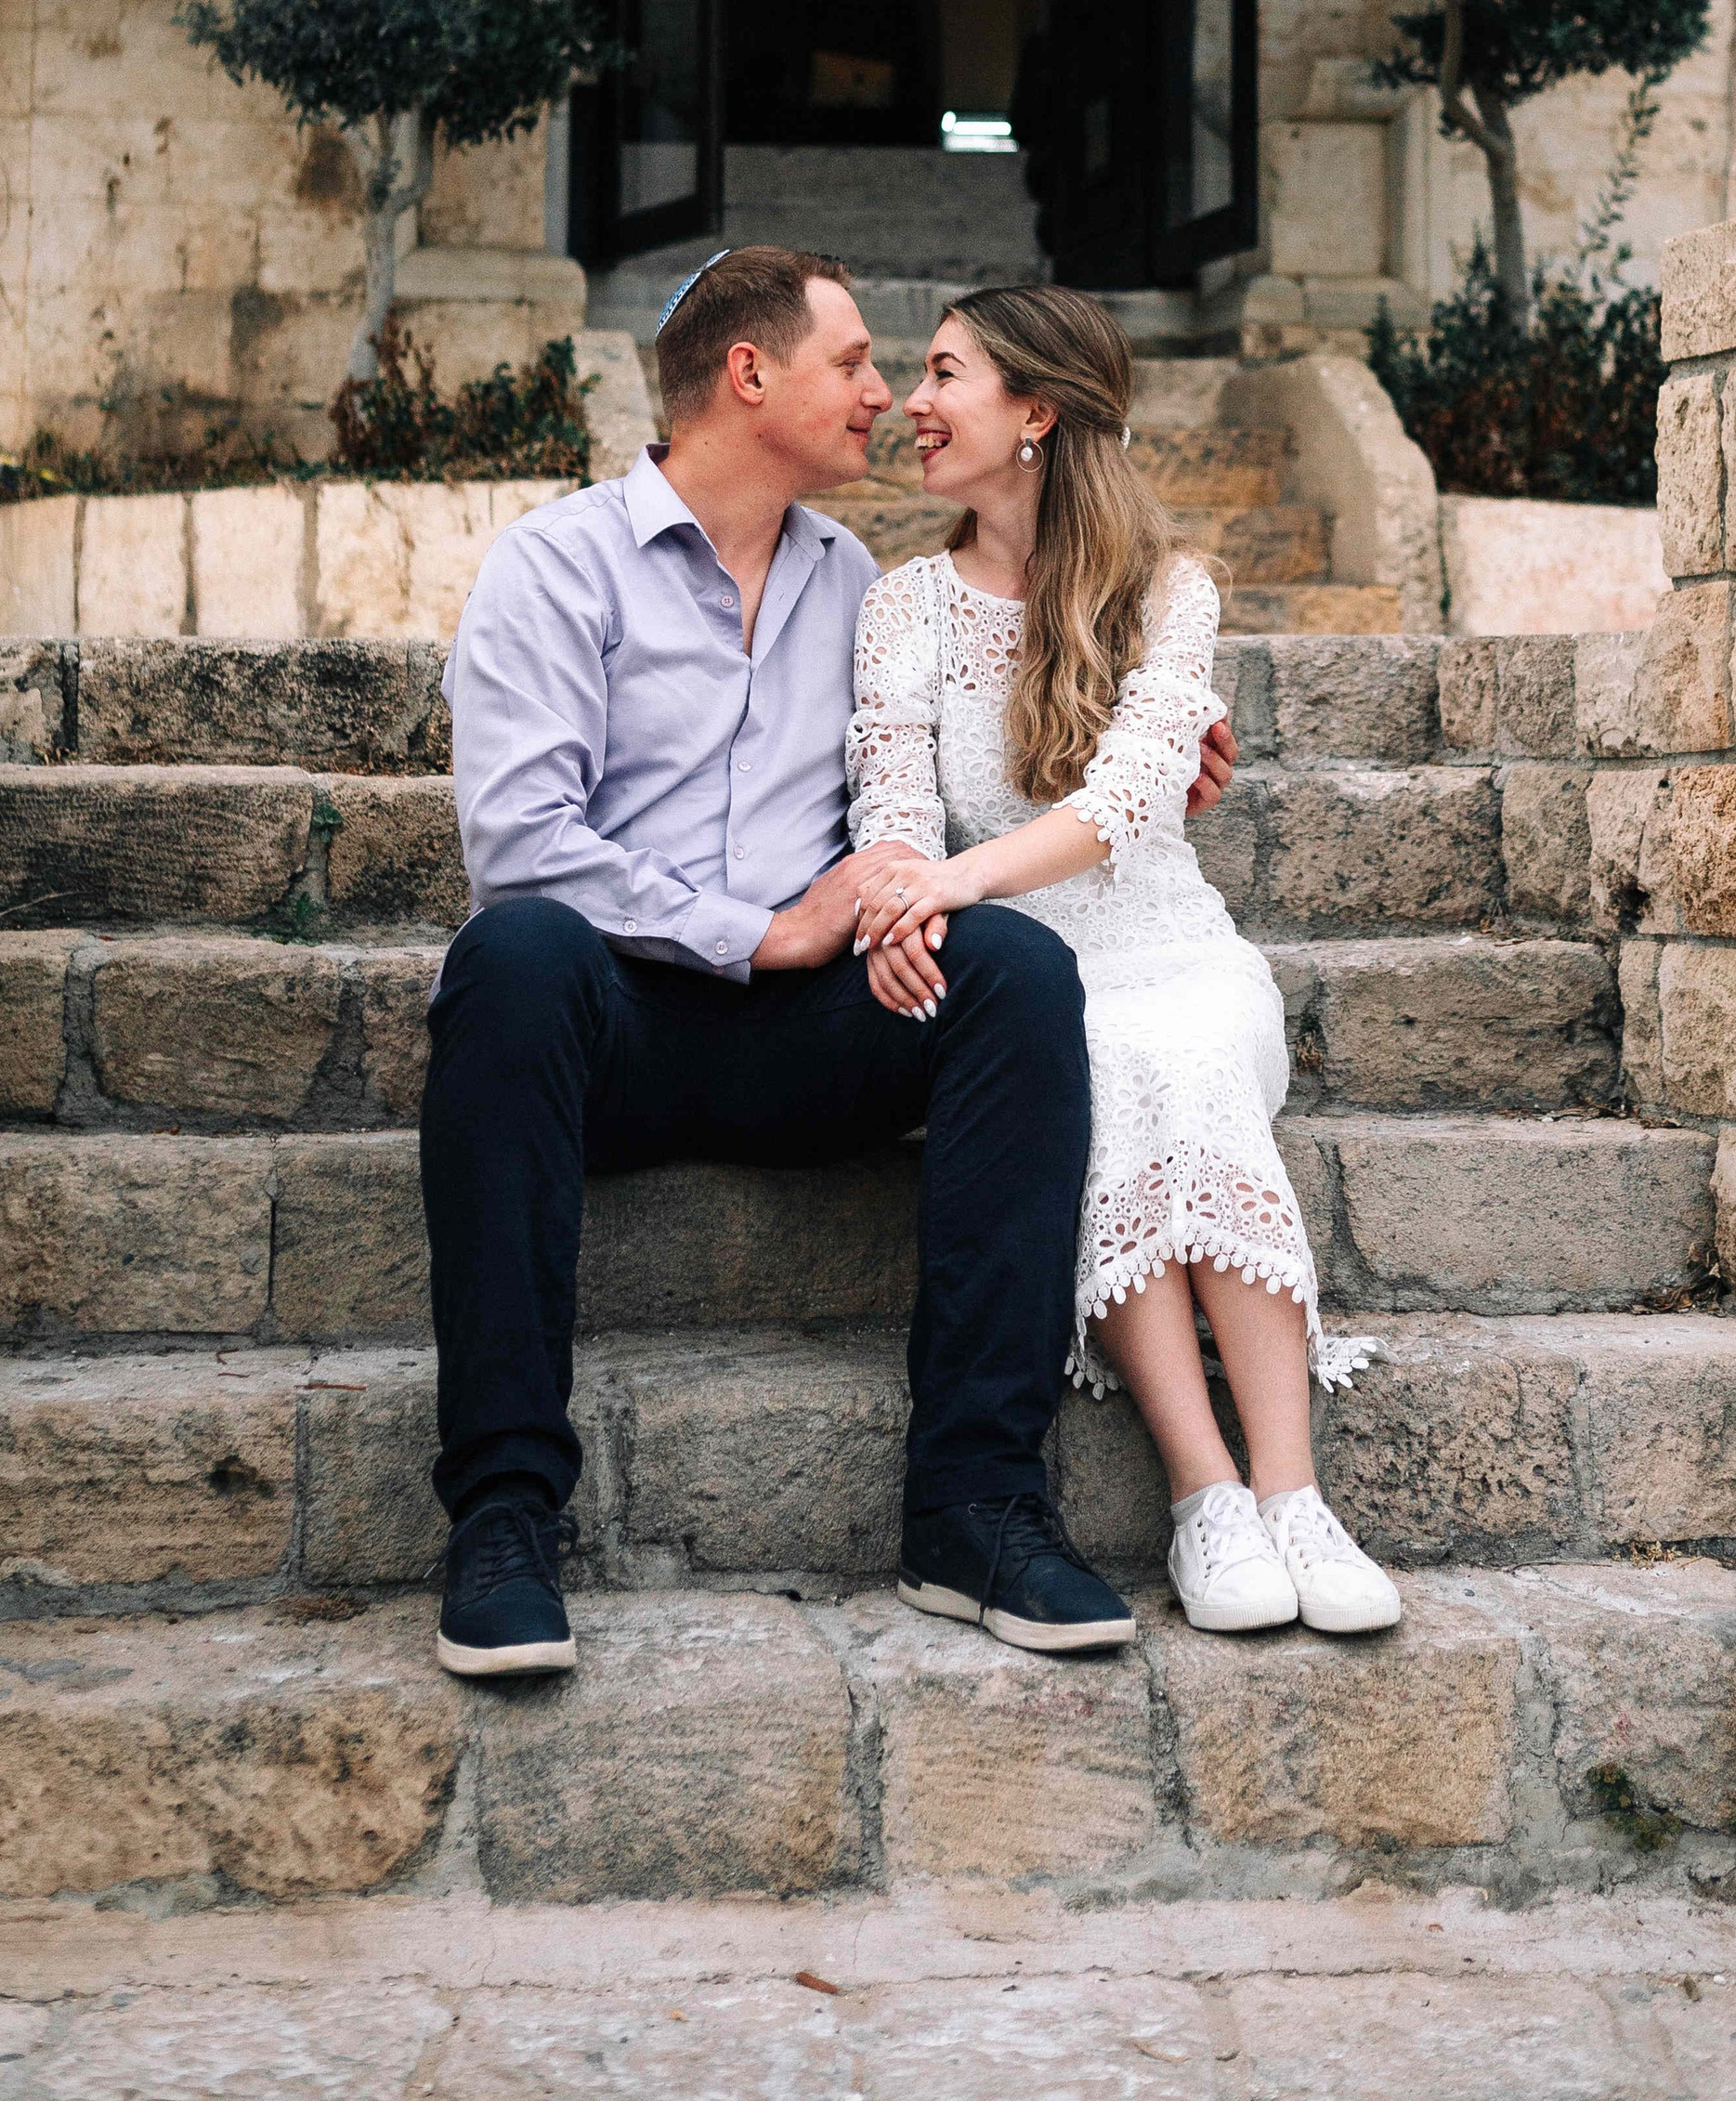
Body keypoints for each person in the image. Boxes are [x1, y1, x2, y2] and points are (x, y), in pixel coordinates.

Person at [418, 244, 1237, 1677]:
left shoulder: (854, 580)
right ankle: (500, 1516)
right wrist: (762, 929)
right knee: (515, 953)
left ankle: (973, 1505)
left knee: (1018, 975)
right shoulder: (556, 566)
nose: (882, 393)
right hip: (602, 1028)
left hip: (808, 1035)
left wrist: (1147, 750)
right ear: (751, 374)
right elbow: (521, 845)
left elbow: (941, 765)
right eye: (856, 362)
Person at [846, 286, 1401, 1639]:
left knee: (1189, 1048)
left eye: (943, 375)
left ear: (1036, 412)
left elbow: (1137, 793)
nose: (913, 404)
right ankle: (1205, 1492)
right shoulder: (900, 608)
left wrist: (951, 882)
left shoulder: (1168, 592)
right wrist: (911, 904)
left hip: (1173, 947)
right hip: (1025, 981)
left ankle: (1294, 1493)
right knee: (1092, 1059)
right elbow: (893, 807)